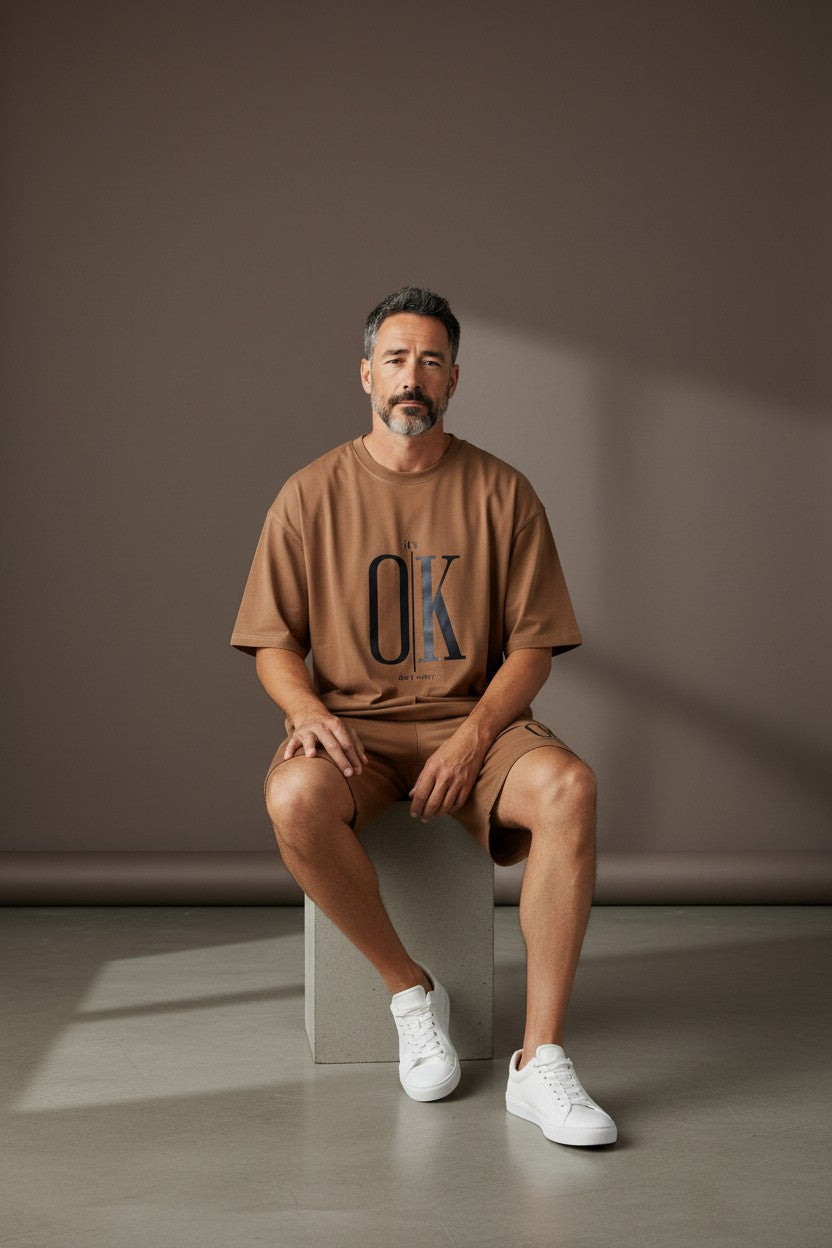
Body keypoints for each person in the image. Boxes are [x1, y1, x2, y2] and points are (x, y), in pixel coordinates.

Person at [230, 286, 617, 1147]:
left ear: (454, 380)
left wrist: (477, 734)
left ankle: (539, 1061)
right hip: (353, 729)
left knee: (571, 790)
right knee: (293, 798)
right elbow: (271, 641)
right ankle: (412, 993)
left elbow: (533, 648)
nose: (414, 377)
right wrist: (303, 708)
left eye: (432, 361)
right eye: (397, 360)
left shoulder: (504, 492)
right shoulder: (308, 494)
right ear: (367, 373)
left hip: (472, 722)